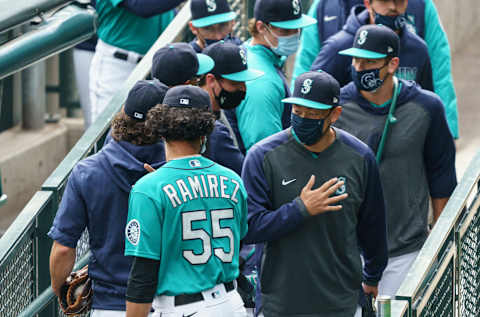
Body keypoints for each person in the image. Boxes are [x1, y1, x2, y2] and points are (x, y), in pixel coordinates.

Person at [241, 70, 388, 317]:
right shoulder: (262, 156)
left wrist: (372, 275)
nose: (303, 119)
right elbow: (250, 227)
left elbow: (373, 226)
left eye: (313, 114)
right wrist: (300, 209)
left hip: (340, 301)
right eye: (298, 112)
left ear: (335, 114)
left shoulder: (359, 158)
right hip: (280, 302)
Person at [334, 24, 457, 296]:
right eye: (356, 60)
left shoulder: (427, 107)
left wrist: (437, 245)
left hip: (405, 252)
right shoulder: (337, 108)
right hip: (347, 253)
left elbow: (442, 178)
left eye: (369, 61)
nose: (360, 67)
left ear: (392, 64)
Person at [124, 85, 248, 317]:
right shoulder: (233, 180)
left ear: (161, 130)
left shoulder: (149, 189)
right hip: (232, 304)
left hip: (183, 309)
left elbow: (143, 275)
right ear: (205, 132)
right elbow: (239, 239)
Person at [48, 79, 168, 316]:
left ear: (123, 116)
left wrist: (58, 288)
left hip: (111, 305)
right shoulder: (178, 171)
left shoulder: (87, 172)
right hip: (172, 302)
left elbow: (63, 249)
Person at [294, 0, 459, 138]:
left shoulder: (420, 18)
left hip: (406, 139)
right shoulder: (327, 13)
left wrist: (448, 131)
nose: (393, 6)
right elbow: (306, 79)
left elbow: (440, 71)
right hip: (351, 139)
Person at [227, 0, 316, 152]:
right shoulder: (262, 81)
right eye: (286, 31)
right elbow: (265, 152)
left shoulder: (250, 52)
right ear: (261, 27)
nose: (294, 36)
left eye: (297, 29)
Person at [89, 0, 184, 124]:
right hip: (118, 65)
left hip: (157, 65)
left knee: (155, 133)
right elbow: (140, 6)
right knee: (109, 129)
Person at [201, 41, 264, 164]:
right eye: (235, 83)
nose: (243, 89)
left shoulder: (219, 113)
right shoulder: (210, 130)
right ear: (211, 80)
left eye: (244, 82)